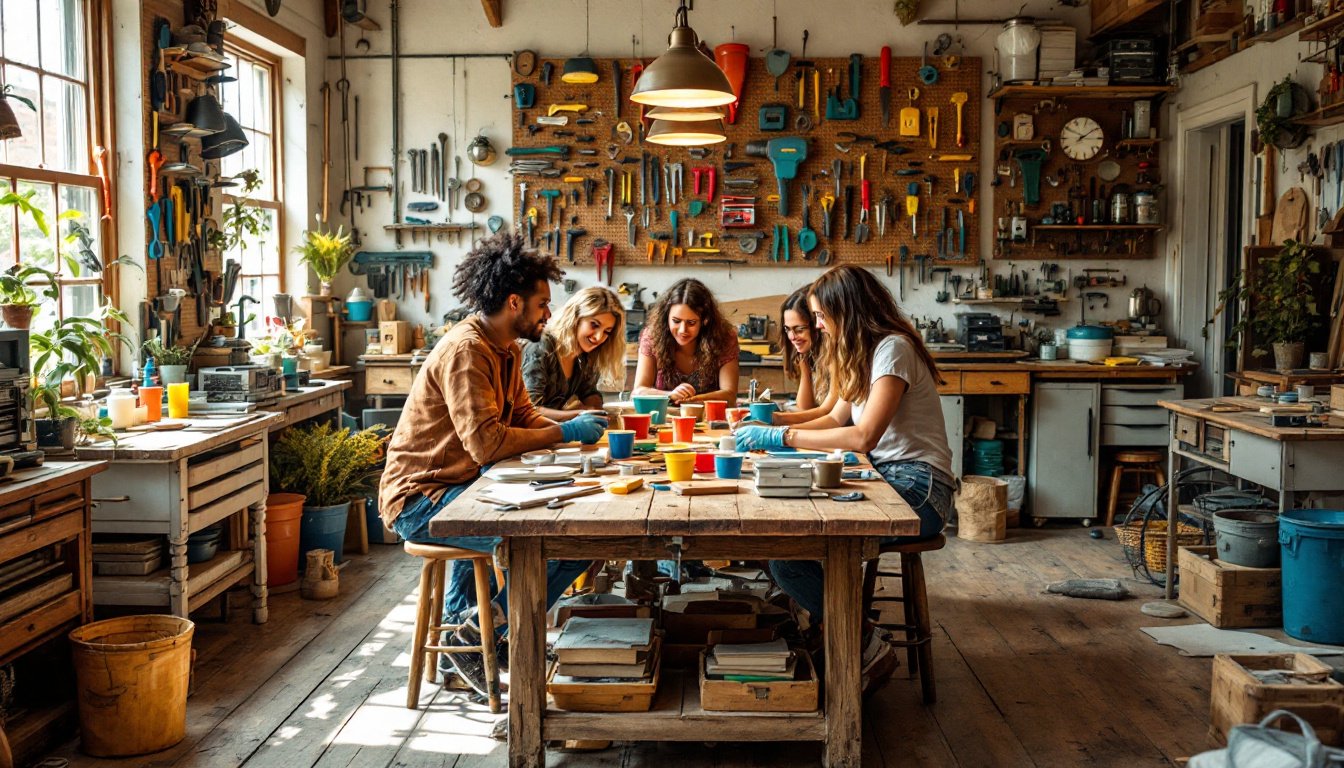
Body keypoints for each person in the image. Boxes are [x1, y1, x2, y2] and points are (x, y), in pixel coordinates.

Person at [378, 232, 607, 696]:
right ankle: (481, 635)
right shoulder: (468, 351)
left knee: (581, 534)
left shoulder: (506, 348)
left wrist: (576, 427)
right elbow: (486, 444)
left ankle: (483, 636)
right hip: (421, 499)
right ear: (514, 302)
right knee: (560, 540)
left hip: (462, 486)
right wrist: (564, 432)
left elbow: (522, 415)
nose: (549, 312)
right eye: (543, 303)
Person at [735, 265, 956, 694]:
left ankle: (863, 642)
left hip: (920, 488)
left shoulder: (894, 348)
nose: (817, 325)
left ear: (846, 310)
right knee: (781, 528)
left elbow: (862, 435)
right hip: (888, 478)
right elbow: (837, 416)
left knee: (789, 556)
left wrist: (781, 435)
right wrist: (774, 426)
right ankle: (839, 636)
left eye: (820, 316)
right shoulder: (862, 351)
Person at [521, 286, 626, 422]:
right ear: (575, 318)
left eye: (607, 331)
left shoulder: (584, 356)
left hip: (551, 436)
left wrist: (595, 408)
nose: (599, 337)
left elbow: (589, 392)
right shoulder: (541, 346)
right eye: (594, 325)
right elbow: (528, 411)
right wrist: (581, 414)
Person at [631, 278, 739, 405]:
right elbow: (638, 392)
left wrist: (692, 400)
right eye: (676, 321)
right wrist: (670, 395)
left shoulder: (724, 338)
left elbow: (730, 395)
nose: (683, 330)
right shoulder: (652, 337)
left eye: (691, 323)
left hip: (709, 420)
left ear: (705, 320)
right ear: (666, 318)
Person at [773, 286, 838, 426]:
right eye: (788, 329)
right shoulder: (811, 354)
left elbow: (828, 412)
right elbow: (805, 407)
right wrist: (805, 369)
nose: (792, 336)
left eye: (799, 329)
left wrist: (776, 420)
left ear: (817, 324)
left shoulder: (835, 355)